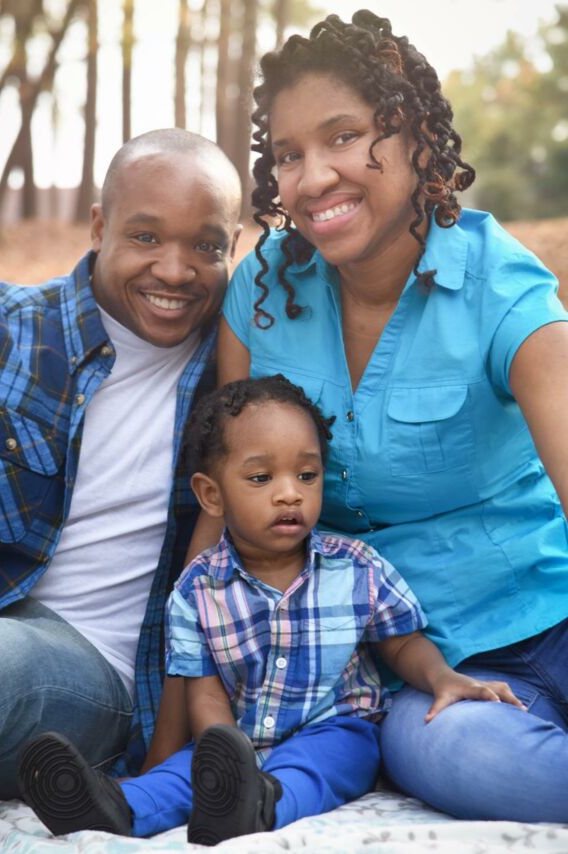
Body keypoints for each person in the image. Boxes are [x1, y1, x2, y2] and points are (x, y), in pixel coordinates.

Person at [205, 9, 568, 824]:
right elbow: (224, 501)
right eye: (289, 155)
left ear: (415, 136)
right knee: (451, 754)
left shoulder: (504, 290)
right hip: (424, 668)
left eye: (344, 137)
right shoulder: (260, 292)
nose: (313, 178)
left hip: (553, 610)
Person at [17, 375, 522, 843]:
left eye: (307, 475)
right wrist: (219, 752)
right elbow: (203, 690)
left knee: (314, 767)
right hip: (239, 739)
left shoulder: (356, 567)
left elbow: (403, 643)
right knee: (185, 772)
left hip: (337, 728)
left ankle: (261, 805)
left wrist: (441, 678)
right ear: (211, 495)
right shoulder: (197, 589)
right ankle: (115, 806)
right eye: (261, 478)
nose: (289, 494)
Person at [0, 128, 242, 800]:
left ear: (233, 249)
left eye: (206, 246)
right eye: (147, 236)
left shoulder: (236, 385)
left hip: (85, 683)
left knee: (2, 657)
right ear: (100, 228)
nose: (175, 271)